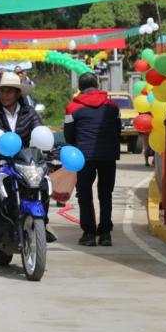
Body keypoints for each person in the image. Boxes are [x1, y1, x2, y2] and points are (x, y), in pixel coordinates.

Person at [0, 72, 55, 243]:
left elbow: (39, 131)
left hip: (25, 162)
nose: (4, 95)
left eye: (9, 91)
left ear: (18, 93)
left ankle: (43, 223)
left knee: (44, 182)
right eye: (2, 91)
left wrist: (51, 150)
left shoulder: (29, 112)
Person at [64, 73, 121, 247]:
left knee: (85, 194)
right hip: (108, 156)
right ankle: (105, 234)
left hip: (84, 157)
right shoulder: (112, 106)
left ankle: (88, 234)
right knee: (105, 194)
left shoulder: (72, 108)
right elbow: (118, 130)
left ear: (79, 88)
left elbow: (68, 135)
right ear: (97, 85)